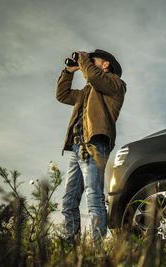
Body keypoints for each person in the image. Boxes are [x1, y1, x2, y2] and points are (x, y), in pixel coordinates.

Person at [56, 49, 126, 243]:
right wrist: (69, 72)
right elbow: (62, 95)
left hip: (95, 144)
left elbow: (94, 77)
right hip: (78, 147)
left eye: (93, 60)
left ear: (105, 65)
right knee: (69, 200)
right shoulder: (87, 92)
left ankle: (96, 247)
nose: (87, 62)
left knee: (94, 196)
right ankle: (70, 243)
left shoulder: (115, 84)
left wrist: (84, 59)